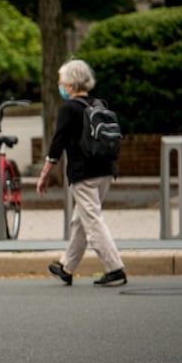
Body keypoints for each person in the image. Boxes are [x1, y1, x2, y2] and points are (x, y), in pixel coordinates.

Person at [36, 59, 127, 287]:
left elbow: (58, 142)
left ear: (69, 85)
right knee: (81, 220)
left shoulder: (69, 108)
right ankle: (67, 267)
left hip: (84, 174)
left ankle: (115, 268)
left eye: (61, 82)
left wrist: (45, 172)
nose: (59, 85)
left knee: (93, 221)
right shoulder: (99, 103)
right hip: (105, 170)